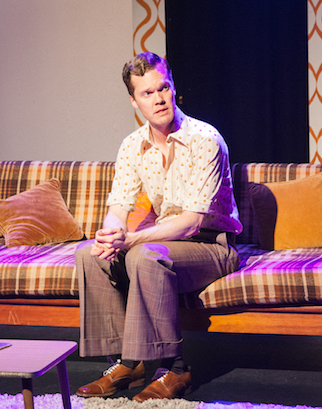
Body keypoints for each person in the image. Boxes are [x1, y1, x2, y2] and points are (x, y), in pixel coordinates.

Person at [74, 52, 242, 402]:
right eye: (147, 93)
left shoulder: (205, 139)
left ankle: (176, 369)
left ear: (173, 87)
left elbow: (193, 221)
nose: (158, 99)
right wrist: (109, 235)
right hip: (167, 241)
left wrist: (131, 239)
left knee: (144, 256)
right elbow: (118, 206)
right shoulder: (132, 145)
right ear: (134, 101)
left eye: (163, 88)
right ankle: (127, 363)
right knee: (90, 254)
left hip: (211, 245)